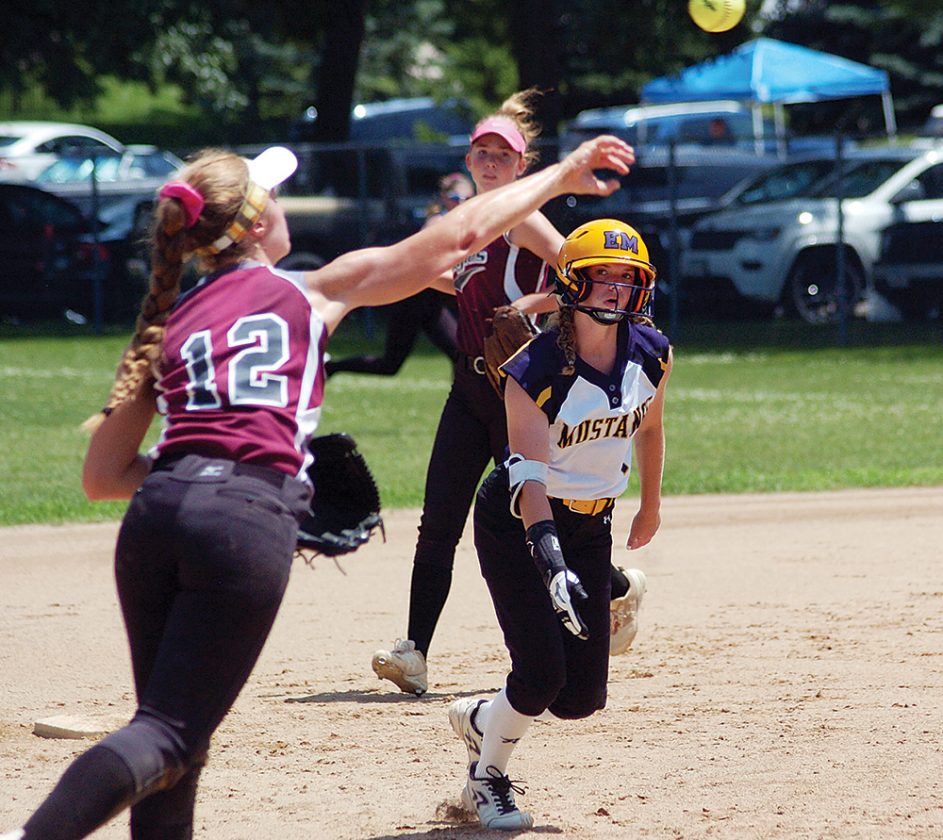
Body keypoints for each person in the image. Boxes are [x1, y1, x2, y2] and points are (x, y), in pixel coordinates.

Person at [0, 136, 636, 840]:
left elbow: (102, 478)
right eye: (273, 196)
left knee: (177, 745)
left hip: (154, 520)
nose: (283, 204)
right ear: (258, 225)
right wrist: (561, 175)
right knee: (169, 735)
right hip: (240, 524)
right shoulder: (309, 292)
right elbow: (459, 235)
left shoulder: (166, 319)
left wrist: (204, 466)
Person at [371, 92, 647, 696]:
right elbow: (457, 280)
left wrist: (530, 305)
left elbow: (580, 275)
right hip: (470, 388)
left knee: (535, 512)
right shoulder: (467, 225)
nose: (492, 162)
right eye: (483, 152)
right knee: (438, 519)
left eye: (504, 154)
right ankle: (414, 652)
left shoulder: (522, 217)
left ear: (523, 166)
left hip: (519, 392)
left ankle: (614, 587)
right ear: (468, 160)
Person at [447, 218, 672, 830]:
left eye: (628, 278)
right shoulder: (535, 367)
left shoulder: (653, 351)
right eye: (602, 275)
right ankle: (487, 779)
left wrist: (650, 505)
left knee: (580, 699)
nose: (616, 289)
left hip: (591, 528)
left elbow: (651, 428)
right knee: (540, 674)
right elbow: (529, 479)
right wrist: (549, 563)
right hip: (519, 523)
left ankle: (481, 719)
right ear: (572, 282)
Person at [324, 172, 474, 378]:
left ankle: (463, 396)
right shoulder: (438, 222)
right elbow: (424, 265)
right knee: (390, 365)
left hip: (431, 303)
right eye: (456, 198)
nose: (461, 203)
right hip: (412, 299)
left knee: (459, 353)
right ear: (444, 198)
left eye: (468, 198)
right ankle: (330, 368)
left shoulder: (464, 223)